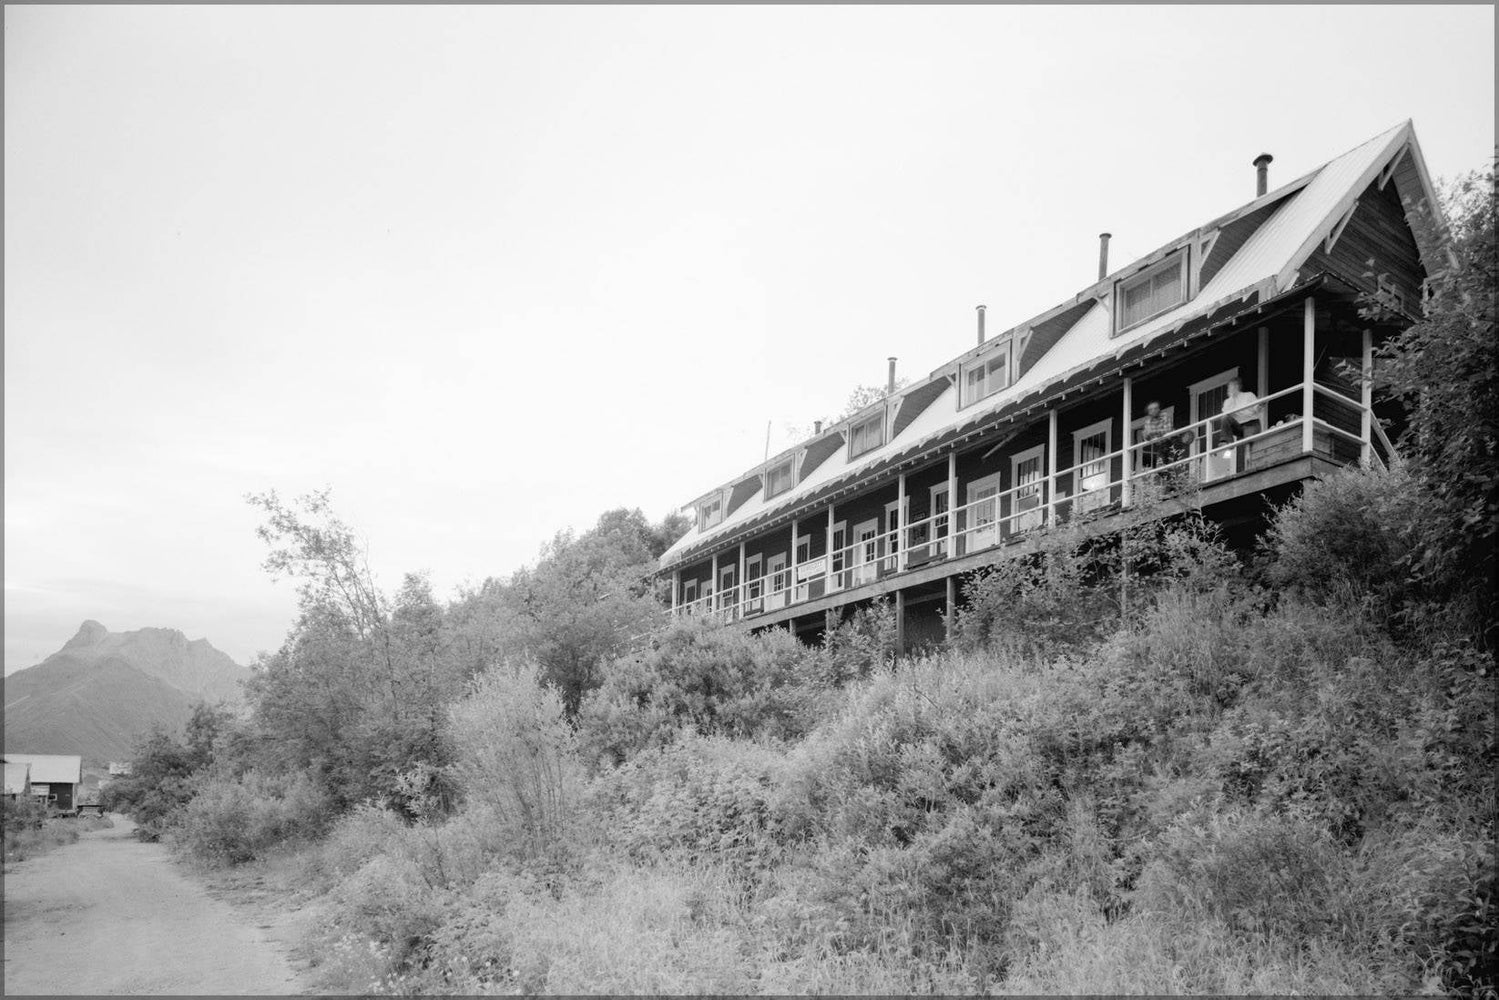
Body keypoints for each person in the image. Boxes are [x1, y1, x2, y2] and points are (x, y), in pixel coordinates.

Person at [1219, 377, 1264, 470]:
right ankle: (1227, 442)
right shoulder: (1228, 401)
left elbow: (1256, 408)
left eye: (1231, 386)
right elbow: (1226, 414)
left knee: (1248, 445)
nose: (1229, 389)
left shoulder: (1248, 395)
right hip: (1239, 426)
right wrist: (1232, 399)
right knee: (1224, 418)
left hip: (1251, 423)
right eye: (1229, 387)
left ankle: (1250, 468)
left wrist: (1260, 405)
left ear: (1237, 386)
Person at [1139, 400, 1173, 469]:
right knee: (1160, 468)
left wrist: (1153, 433)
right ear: (1148, 412)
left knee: (1173, 462)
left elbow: (1167, 431)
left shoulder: (1165, 416)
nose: (1154, 411)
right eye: (1151, 409)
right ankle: (1169, 477)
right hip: (1161, 445)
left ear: (1159, 409)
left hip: (1171, 442)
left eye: (1155, 408)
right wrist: (1155, 433)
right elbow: (1146, 437)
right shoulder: (1148, 422)